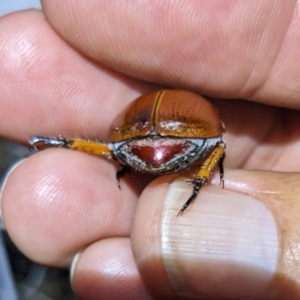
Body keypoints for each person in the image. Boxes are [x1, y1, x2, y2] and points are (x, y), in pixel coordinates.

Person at [0, 1, 299, 299]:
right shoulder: (206, 118)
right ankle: (76, 146)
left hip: (134, 141)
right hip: (182, 140)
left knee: (111, 152)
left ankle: (72, 144)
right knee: (211, 147)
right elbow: (216, 144)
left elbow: (117, 148)